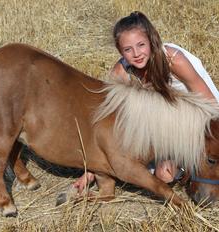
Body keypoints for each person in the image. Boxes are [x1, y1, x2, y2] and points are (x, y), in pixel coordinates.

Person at [73, 11, 219, 193]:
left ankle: (191, 165)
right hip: (166, 127)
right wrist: (90, 171)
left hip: (199, 120)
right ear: (120, 52)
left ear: (151, 40)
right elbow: (106, 127)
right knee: (162, 174)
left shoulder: (174, 59)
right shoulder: (121, 72)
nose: (136, 54)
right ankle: (183, 169)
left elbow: (212, 107)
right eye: (128, 49)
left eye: (141, 45)